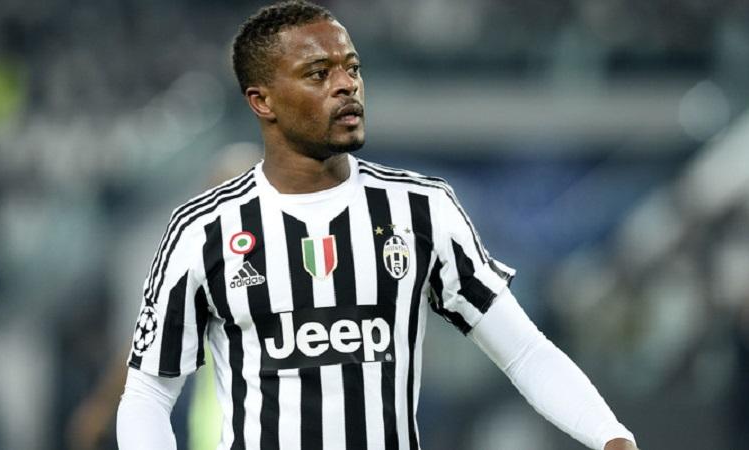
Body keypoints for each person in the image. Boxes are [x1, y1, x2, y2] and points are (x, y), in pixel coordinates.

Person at [116, 2, 639, 449]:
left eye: (352, 68)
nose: (346, 85)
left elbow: (524, 352)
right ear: (262, 101)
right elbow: (148, 393)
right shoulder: (202, 230)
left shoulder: (421, 209)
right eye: (318, 74)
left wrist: (611, 436)